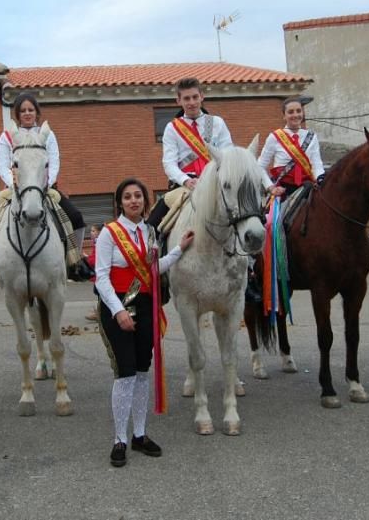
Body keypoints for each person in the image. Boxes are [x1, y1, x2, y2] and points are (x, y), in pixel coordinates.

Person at [95, 178, 193, 467]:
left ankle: (139, 434)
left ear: (145, 202)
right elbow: (101, 277)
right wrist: (118, 312)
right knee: (124, 373)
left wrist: (178, 250)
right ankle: (119, 439)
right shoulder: (109, 234)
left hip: (146, 306)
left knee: (141, 371)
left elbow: (153, 269)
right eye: (127, 197)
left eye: (138, 196)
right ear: (120, 203)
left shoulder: (150, 232)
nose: (134, 201)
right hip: (118, 308)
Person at [0, 91, 86, 261]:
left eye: (31, 109)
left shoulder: (47, 135)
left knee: (76, 217)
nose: (27, 113)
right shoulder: (7, 136)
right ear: (17, 114)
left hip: (44, 188)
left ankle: (77, 260)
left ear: (37, 112)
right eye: (23, 111)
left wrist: (44, 184)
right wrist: (14, 185)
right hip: (14, 188)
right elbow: (2, 165)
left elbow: (54, 162)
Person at [146, 77, 234, 229]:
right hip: (186, 185)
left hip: (216, 181)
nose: (192, 102)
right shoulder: (172, 128)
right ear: (178, 101)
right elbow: (169, 163)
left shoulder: (216, 123)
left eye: (195, 97)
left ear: (202, 97)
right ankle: (155, 247)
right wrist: (186, 180)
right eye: (186, 98)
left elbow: (228, 154)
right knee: (154, 221)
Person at [256, 96, 325, 200]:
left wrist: (320, 180)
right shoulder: (274, 137)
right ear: (284, 116)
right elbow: (260, 166)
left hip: (307, 188)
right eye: (291, 112)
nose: (296, 115)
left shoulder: (311, 137)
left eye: (298, 111)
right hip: (282, 191)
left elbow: (317, 164)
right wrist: (271, 187)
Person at [84, 224, 103, 322]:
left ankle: (100, 314)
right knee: (99, 293)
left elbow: (96, 259)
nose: (91, 233)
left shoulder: (99, 242)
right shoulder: (96, 242)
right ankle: (99, 312)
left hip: (100, 274)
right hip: (98, 273)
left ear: (99, 232)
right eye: (91, 231)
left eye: (93, 231)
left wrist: (87, 258)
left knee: (101, 293)